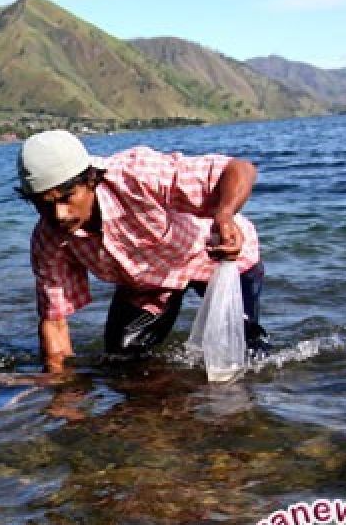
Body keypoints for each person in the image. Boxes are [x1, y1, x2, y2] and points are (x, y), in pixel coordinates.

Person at [18, 130, 269, 373]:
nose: (59, 215)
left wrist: (224, 215)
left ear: (91, 180)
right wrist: (61, 389)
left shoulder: (136, 175)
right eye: (44, 205)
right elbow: (54, 321)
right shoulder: (49, 241)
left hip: (215, 255)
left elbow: (238, 169)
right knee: (122, 362)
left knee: (244, 353)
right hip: (149, 284)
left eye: (67, 198)